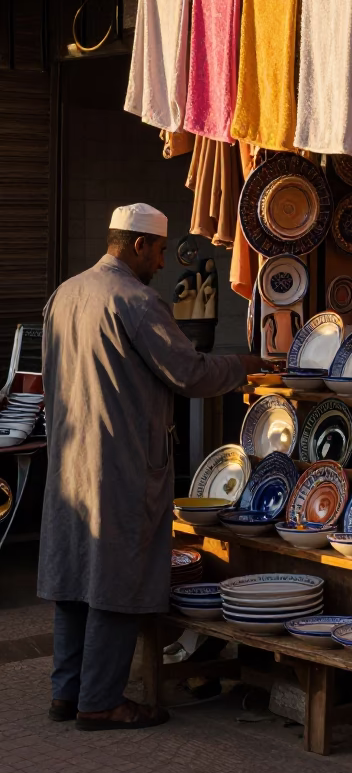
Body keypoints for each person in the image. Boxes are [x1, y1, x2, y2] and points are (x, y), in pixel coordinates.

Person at [38, 203, 262, 732]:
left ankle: (66, 694)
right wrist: (245, 366)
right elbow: (187, 372)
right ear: (138, 244)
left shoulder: (64, 294)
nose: (162, 262)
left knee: (75, 578)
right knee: (116, 577)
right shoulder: (136, 301)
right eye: (160, 250)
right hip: (119, 464)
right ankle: (101, 701)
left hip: (70, 460)